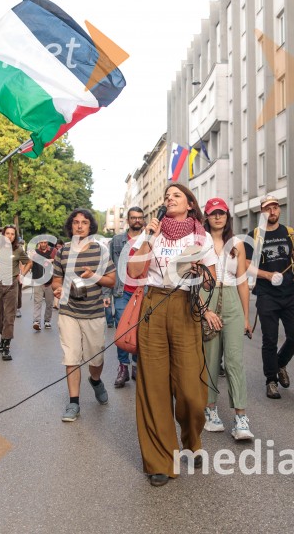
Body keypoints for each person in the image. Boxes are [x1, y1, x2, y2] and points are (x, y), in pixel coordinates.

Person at [127, 184, 218, 487]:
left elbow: (212, 280)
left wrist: (200, 273)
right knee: (153, 385)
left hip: (184, 307)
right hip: (153, 304)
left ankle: (192, 437)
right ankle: (160, 461)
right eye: (167, 196)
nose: (169, 199)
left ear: (190, 205)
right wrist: (149, 239)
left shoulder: (200, 237)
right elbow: (133, 271)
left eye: (176, 195)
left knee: (191, 390)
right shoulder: (151, 233)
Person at [51, 209, 116, 422]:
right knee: (71, 356)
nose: (79, 226)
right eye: (76, 222)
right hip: (68, 311)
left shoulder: (100, 251)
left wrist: (94, 276)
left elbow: (111, 280)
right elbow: (56, 280)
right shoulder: (63, 251)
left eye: (84, 222)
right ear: (71, 226)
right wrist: (57, 289)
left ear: (90, 227)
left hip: (94, 312)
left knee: (96, 357)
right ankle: (74, 403)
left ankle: (95, 381)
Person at [201, 197, 254, 440]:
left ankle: (241, 418)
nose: (218, 217)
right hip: (207, 296)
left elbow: (243, 281)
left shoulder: (238, 244)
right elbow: (192, 281)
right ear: (207, 216)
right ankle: (210, 410)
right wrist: (203, 310)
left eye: (221, 213)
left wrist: (245, 316)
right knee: (210, 359)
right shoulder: (199, 242)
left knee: (234, 360)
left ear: (227, 216)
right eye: (213, 213)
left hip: (232, 297)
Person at [244, 194, 294, 399]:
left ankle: (280, 364)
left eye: (275, 207)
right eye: (268, 208)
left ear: (279, 210)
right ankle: (271, 380)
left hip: (289, 293)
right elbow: (245, 265)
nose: (272, 211)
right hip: (266, 294)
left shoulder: (289, 233)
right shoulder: (254, 236)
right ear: (262, 211)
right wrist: (267, 275)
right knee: (269, 339)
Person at [103, 206, 144, 387]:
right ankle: (123, 367)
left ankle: (136, 365)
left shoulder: (149, 239)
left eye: (139, 218)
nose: (137, 220)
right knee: (122, 329)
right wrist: (106, 294)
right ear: (127, 220)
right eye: (133, 217)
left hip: (144, 292)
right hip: (122, 292)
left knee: (140, 329)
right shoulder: (117, 240)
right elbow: (109, 267)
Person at [0, 225, 30, 360]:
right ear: (3, 234)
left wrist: (22, 274)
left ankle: (6, 345)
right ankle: (4, 335)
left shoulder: (18, 250)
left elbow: (29, 262)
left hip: (11, 285)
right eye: (7, 233)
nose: (10, 236)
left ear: (15, 236)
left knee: (9, 316)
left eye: (12, 234)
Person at [30, 238, 55, 331]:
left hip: (49, 281)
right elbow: (30, 263)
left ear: (47, 242)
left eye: (45, 242)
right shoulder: (35, 252)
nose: (43, 244)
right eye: (41, 242)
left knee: (49, 302)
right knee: (37, 302)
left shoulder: (53, 251)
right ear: (39, 243)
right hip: (38, 280)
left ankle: (47, 320)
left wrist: (51, 260)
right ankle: (36, 321)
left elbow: (58, 260)